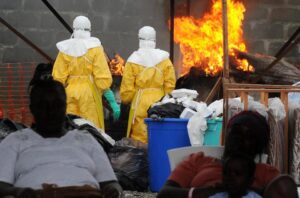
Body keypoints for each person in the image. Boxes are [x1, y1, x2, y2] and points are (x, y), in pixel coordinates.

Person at [0, 78, 122, 198]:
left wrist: (114, 191)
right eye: (44, 106)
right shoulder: (15, 141)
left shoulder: (86, 140)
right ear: (32, 109)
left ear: (65, 107)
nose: (51, 112)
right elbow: (2, 186)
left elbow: (110, 182)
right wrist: (18, 192)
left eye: (57, 105)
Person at [157, 110, 280, 198]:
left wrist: (247, 190)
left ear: (258, 144)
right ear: (226, 135)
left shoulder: (266, 173)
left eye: (249, 136)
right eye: (236, 132)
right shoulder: (198, 161)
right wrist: (200, 193)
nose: (239, 139)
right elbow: (164, 194)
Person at [52, 15, 120, 130]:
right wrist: (112, 101)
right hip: (89, 93)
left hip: (70, 92)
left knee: (70, 127)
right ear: (89, 29)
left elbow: (58, 78)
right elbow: (101, 77)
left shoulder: (65, 49)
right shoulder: (95, 48)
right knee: (90, 128)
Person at [120, 26, 176, 143]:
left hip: (140, 101)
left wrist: (127, 99)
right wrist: (166, 100)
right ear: (154, 40)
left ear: (140, 39)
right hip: (159, 101)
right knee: (158, 135)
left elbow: (127, 89)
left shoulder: (133, 60)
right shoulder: (164, 59)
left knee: (139, 136)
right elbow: (170, 85)